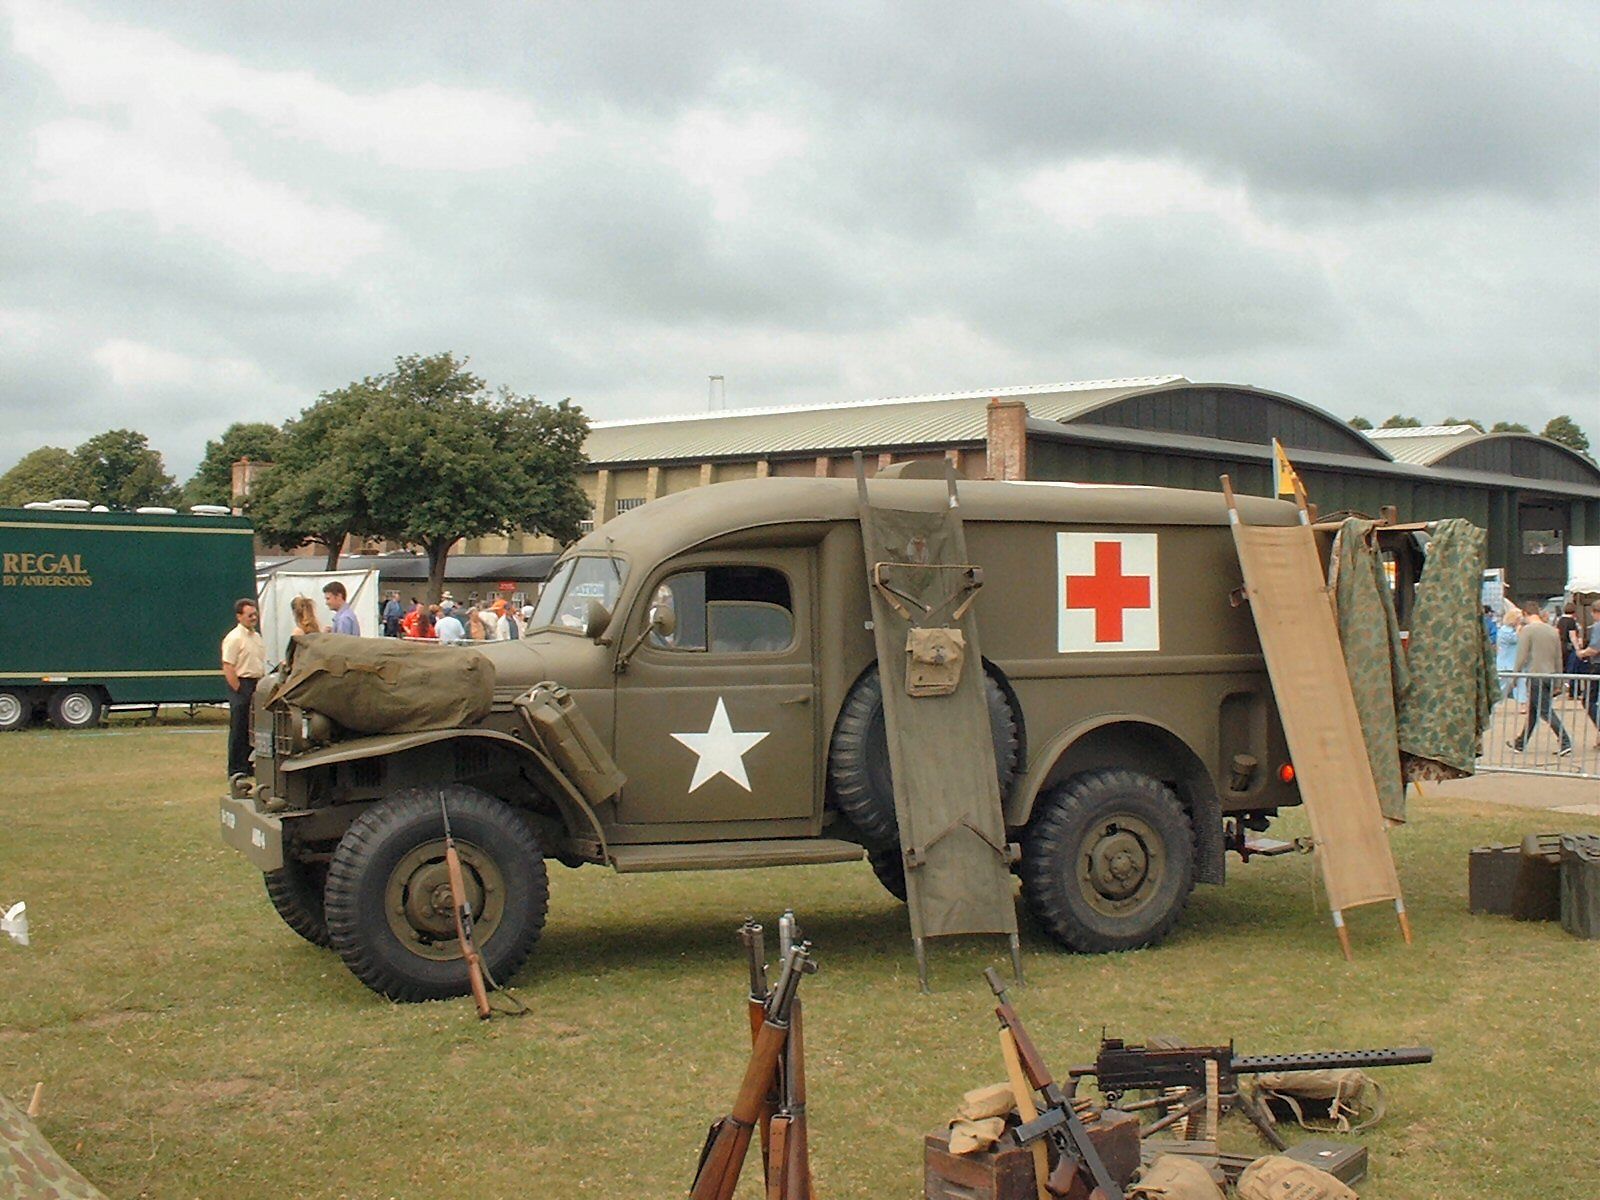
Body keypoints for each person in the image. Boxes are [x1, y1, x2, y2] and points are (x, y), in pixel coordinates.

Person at [1508, 603, 1572, 756]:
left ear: (1525, 613)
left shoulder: (1527, 631)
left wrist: (1515, 676)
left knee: (1544, 711)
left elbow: (1521, 656)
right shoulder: (1552, 631)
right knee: (1534, 711)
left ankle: (1565, 741)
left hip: (1535, 674)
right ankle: (1520, 743)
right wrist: (1558, 679)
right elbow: (1558, 658)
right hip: (1550, 674)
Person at [221, 598, 266, 779]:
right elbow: (228, 665)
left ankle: (248, 765)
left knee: (252, 727)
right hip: (242, 683)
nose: (253, 618)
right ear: (239, 617)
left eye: (255, 614)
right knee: (239, 727)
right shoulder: (234, 638)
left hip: (256, 683)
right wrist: (239, 689)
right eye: (249, 615)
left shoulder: (256, 637)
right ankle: (235, 768)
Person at [1494, 604, 1524, 705]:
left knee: (1521, 683)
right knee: (1503, 686)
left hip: (1515, 662)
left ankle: (1522, 703)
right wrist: (1519, 630)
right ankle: (1496, 702)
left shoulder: (1514, 630)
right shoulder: (1504, 630)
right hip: (1506, 663)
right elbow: (1514, 639)